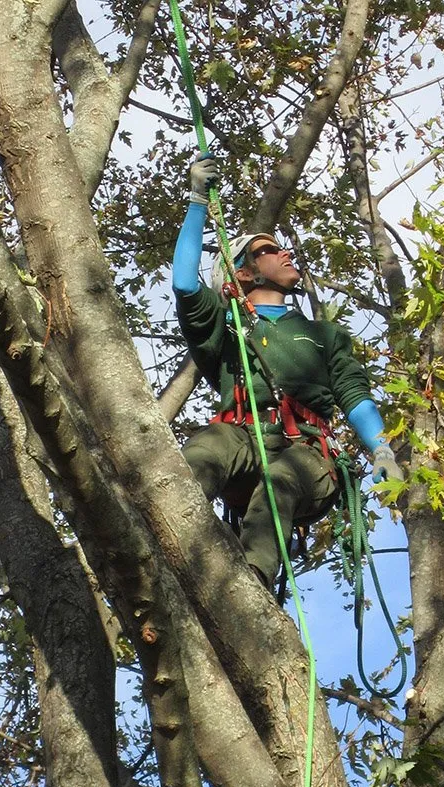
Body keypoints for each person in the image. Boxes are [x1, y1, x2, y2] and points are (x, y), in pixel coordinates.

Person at [172, 155, 403, 589]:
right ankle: (170, 531)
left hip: (307, 454)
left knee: (281, 481)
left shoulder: (323, 335)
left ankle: (253, 580)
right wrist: (197, 201)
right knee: (204, 448)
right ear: (243, 272)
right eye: (269, 250)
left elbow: (355, 395)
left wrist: (382, 450)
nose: (285, 252)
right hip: (243, 436)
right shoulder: (225, 328)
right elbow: (185, 284)